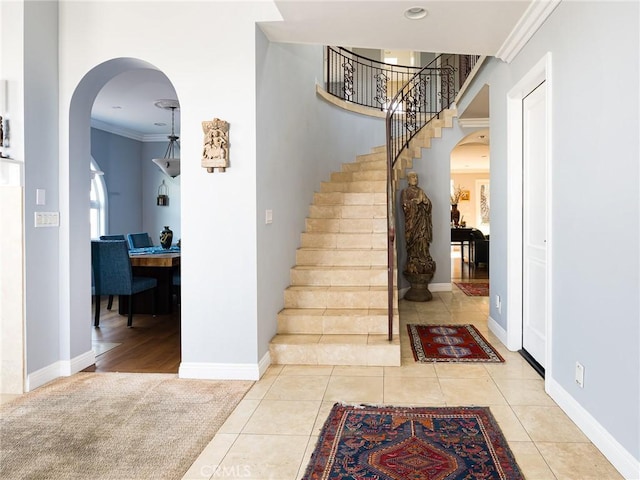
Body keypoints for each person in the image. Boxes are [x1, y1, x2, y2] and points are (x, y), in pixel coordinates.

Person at [401, 172, 435, 275]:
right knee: (414, 241)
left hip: (422, 222)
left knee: (423, 238)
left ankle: (423, 258)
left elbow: (428, 204)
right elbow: (404, 205)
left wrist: (425, 201)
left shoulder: (421, 191)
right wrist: (414, 202)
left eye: (416, 177)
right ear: (408, 180)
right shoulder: (405, 192)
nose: (415, 178)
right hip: (412, 223)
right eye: (412, 177)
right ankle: (414, 258)